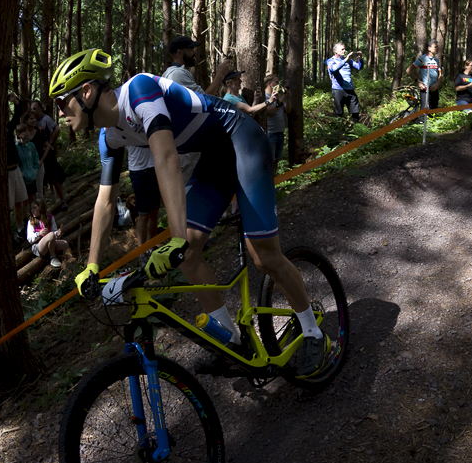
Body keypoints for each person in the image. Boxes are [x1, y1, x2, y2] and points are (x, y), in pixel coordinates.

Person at [52, 48, 333, 375]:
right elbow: (104, 201)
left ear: (86, 92)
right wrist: (92, 266)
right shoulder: (108, 137)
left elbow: (166, 158)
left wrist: (176, 237)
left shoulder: (140, 90)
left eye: (61, 102)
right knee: (188, 255)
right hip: (214, 156)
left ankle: (314, 332)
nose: (60, 112)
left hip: (242, 139)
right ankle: (230, 342)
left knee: (264, 257)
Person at [162, 35, 233, 97]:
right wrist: (219, 75)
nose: (194, 52)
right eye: (191, 49)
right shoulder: (177, 74)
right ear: (180, 52)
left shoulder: (172, 72)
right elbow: (204, 101)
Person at [30, 100, 68, 209]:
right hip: (37, 157)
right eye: (32, 108)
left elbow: (57, 129)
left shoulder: (45, 119)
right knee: (41, 183)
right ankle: (43, 207)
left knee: (55, 179)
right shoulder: (31, 122)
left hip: (48, 155)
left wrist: (51, 142)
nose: (33, 110)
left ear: (40, 108)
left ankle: (63, 201)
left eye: (35, 108)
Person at [5, 96, 31, 243]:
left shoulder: (8, 128)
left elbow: (18, 113)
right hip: (5, 174)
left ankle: (21, 228)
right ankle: (10, 232)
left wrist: (15, 101)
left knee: (20, 200)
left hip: (15, 170)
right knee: (9, 205)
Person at [26, 198, 69, 268]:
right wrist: (39, 234)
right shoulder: (31, 222)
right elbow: (29, 238)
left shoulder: (49, 218)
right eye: (31, 208)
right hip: (38, 247)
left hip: (51, 243)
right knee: (51, 235)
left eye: (35, 208)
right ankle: (53, 258)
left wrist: (57, 234)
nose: (32, 210)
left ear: (41, 208)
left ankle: (67, 262)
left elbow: (54, 231)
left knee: (65, 244)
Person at [327, 42, 364, 123]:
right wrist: (346, 60)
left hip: (350, 89)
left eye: (345, 49)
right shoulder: (331, 60)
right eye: (342, 49)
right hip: (338, 90)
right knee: (339, 113)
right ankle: (339, 132)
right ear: (336, 50)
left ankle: (355, 131)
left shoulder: (348, 61)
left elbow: (359, 67)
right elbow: (333, 69)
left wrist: (360, 58)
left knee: (355, 112)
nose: (344, 51)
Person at [262, 75, 291, 172]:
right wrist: (282, 99)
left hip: (280, 132)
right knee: (270, 160)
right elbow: (269, 111)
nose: (279, 84)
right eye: (276, 82)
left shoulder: (278, 96)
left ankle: (275, 181)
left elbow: (288, 110)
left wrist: (288, 98)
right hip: (270, 132)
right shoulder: (265, 97)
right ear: (270, 84)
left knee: (276, 160)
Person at [407, 41, 442, 109]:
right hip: (425, 89)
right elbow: (408, 70)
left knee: (434, 112)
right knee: (424, 112)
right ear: (429, 48)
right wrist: (418, 81)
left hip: (434, 89)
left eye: (437, 47)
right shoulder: (422, 59)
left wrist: (437, 84)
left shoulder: (436, 60)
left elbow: (440, 74)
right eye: (435, 47)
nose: (437, 48)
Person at [16, 114, 41, 207]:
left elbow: (36, 159)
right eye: (24, 131)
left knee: (33, 198)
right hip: (23, 179)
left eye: (27, 130)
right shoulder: (17, 148)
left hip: (32, 176)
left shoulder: (32, 146)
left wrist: (34, 171)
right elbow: (17, 164)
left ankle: (33, 216)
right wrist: (23, 174)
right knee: (24, 200)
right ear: (19, 134)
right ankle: (24, 218)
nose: (27, 132)